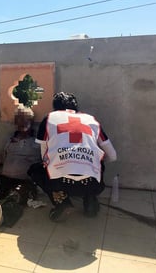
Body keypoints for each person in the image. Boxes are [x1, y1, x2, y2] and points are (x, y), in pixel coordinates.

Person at [28, 92, 117, 222]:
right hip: (92, 183)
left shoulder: (49, 119)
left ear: (55, 107)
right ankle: (90, 199)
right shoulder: (92, 120)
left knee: (36, 170)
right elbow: (113, 156)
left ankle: (61, 202)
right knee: (98, 160)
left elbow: (44, 157)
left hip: (60, 182)